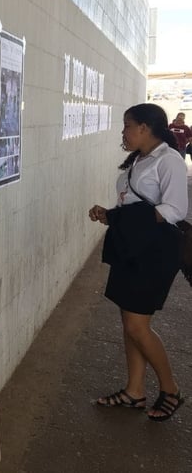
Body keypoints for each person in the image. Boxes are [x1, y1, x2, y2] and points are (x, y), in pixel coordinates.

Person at [88, 103, 186, 421]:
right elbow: (132, 204)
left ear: (144, 127)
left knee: (137, 326)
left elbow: (175, 209)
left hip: (155, 249)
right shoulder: (140, 159)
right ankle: (134, 392)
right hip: (131, 246)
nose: (123, 132)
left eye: (127, 125)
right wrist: (112, 217)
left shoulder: (168, 160)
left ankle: (170, 389)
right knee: (128, 323)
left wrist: (127, 222)